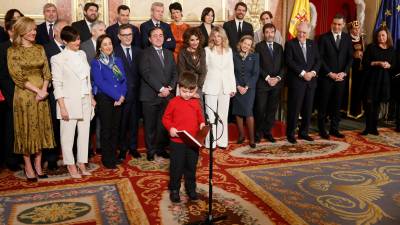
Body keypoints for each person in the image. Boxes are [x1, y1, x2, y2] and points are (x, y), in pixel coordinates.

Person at [7, 17, 55, 181]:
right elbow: (17, 76)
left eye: (35, 29)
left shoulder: (40, 48)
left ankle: (38, 165)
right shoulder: (13, 50)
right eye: (30, 29)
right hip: (24, 95)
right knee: (26, 129)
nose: (34, 32)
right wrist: (37, 90)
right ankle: (28, 165)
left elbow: (47, 72)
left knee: (40, 128)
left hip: (42, 94)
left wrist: (43, 90)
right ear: (21, 31)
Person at [51, 26, 95, 178]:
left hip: (85, 100)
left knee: (84, 135)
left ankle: (81, 162)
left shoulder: (82, 54)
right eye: (74, 40)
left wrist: (91, 98)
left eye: (78, 38)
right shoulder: (57, 59)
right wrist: (62, 107)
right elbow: (57, 85)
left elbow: (87, 79)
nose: (78, 41)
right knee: (67, 136)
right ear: (65, 41)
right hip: (68, 103)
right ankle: (70, 164)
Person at [162, 71, 205, 203]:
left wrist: (202, 123)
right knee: (177, 166)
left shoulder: (196, 102)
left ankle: (191, 189)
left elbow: (199, 116)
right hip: (177, 141)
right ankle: (174, 189)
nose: (187, 94)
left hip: (192, 141)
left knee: (191, 166)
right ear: (179, 88)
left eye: (190, 92)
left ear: (195, 90)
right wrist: (171, 128)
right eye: (184, 91)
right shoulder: (173, 102)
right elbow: (165, 118)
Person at [139, 27, 177, 161]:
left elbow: (174, 73)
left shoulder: (169, 53)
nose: (158, 38)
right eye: (155, 35)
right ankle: (151, 151)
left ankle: (161, 149)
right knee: (150, 126)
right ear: (149, 39)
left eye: (161, 35)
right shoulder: (144, 53)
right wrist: (161, 89)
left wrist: (170, 88)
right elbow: (146, 74)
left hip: (167, 96)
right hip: (150, 96)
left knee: (163, 125)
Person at [91, 34, 127, 169]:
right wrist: (117, 96)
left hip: (119, 99)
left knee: (115, 129)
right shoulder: (96, 62)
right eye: (105, 44)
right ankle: (107, 158)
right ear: (100, 48)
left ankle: (113, 155)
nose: (108, 46)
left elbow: (123, 80)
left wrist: (122, 95)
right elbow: (100, 83)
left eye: (110, 43)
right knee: (106, 130)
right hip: (105, 98)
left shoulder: (117, 60)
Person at [317, 14, 353, 139]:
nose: (336, 26)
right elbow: (320, 59)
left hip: (341, 78)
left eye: (339, 24)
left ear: (343, 25)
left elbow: (350, 58)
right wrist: (330, 73)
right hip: (327, 77)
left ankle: (334, 129)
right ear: (331, 24)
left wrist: (344, 72)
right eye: (334, 24)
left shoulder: (347, 38)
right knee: (324, 104)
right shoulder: (323, 38)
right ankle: (322, 129)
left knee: (337, 105)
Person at [285, 22, 321, 144]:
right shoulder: (290, 44)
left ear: (308, 33)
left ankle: (304, 132)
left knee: (308, 109)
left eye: (304, 32)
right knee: (294, 109)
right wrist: (303, 73)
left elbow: (318, 60)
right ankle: (290, 134)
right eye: (299, 32)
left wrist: (313, 73)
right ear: (296, 31)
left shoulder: (313, 44)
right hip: (297, 82)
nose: (301, 34)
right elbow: (289, 61)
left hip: (311, 82)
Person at [203, 26, 236, 148]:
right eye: (214, 36)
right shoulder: (207, 50)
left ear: (223, 37)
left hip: (225, 86)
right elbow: (204, 69)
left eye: (219, 36)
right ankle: (210, 142)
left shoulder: (229, 51)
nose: (217, 38)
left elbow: (230, 69)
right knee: (210, 115)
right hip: (211, 85)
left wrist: (232, 87)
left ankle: (222, 141)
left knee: (223, 115)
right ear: (212, 37)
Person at [361, 26, 396, 136]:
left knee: (377, 105)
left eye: (383, 35)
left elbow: (394, 65)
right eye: (379, 35)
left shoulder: (391, 49)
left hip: (384, 81)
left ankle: (374, 128)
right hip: (371, 79)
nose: (381, 37)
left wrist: (389, 65)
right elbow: (365, 63)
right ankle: (367, 127)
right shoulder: (371, 47)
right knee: (369, 104)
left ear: (387, 36)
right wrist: (377, 63)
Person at [114, 24, 142, 160]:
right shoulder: (114, 52)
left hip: (137, 94)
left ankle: (133, 147)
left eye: (130, 34)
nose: (128, 37)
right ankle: (122, 149)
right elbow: (115, 75)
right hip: (122, 95)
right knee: (122, 123)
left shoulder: (138, 51)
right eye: (124, 35)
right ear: (119, 36)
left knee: (134, 123)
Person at [43, 19, 68, 171]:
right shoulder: (46, 49)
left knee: (68, 126)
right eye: (64, 29)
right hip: (54, 94)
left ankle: (68, 156)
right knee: (54, 125)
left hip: (70, 94)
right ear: (56, 32)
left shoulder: (72, 48)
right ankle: (52, 158)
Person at [254, 23, 284, 143]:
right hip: (263, 84)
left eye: (272, 32)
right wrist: (267, 78)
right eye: (267, 32)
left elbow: (283, 66)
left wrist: (277, 78)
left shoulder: (279, 47)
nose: (269, 35)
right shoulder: (258, 46)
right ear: (263, 34)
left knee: (272, 110)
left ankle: (268, 132)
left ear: (275, 33)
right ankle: (258, 133)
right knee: (260, 109)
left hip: (276, 84)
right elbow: (257, 65)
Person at [0, 20, 21, 171]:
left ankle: (23, 157)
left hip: (28, 94)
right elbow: (3, 76)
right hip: (11, 95)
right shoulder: (3, 48)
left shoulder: (24, 47)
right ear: (9, 31)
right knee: (11, 129)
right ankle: (11, 160)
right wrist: (12, 96)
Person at [232, 35, 259, 148]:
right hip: (237, 88)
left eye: (248, 44)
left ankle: (252, 139)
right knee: (238, 112)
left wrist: (247, 86)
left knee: (248, 112)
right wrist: (238, 86)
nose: (246, 46)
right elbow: (232, 72)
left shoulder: (255, 56)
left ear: (251, 46)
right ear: (241, 43)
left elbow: (255, 73)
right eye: (244, 43)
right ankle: (241, 135)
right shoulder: (234, 55)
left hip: (249, 89)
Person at [177, 27, 206, 98]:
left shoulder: (202, 51)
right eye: (192, 40)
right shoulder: (182, 52)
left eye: (197, 39)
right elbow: (182, 71)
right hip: (186, 86)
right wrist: (189, 88)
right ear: (187, 41)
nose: (195, 42)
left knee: (199, 107)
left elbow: (203, 71)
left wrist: (197, 86)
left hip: (198, 86)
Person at [344, 20, 365, 117]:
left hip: (360, 70)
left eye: (358, 28)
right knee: (348, 90)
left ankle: (356, 110)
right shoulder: (346, 39)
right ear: (350, 29)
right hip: (349, 69)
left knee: (358, 89)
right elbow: (342, 54)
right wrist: (353, 55)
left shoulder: (362, 39)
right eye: (354, 29)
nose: (356, 31)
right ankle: (346, 111)